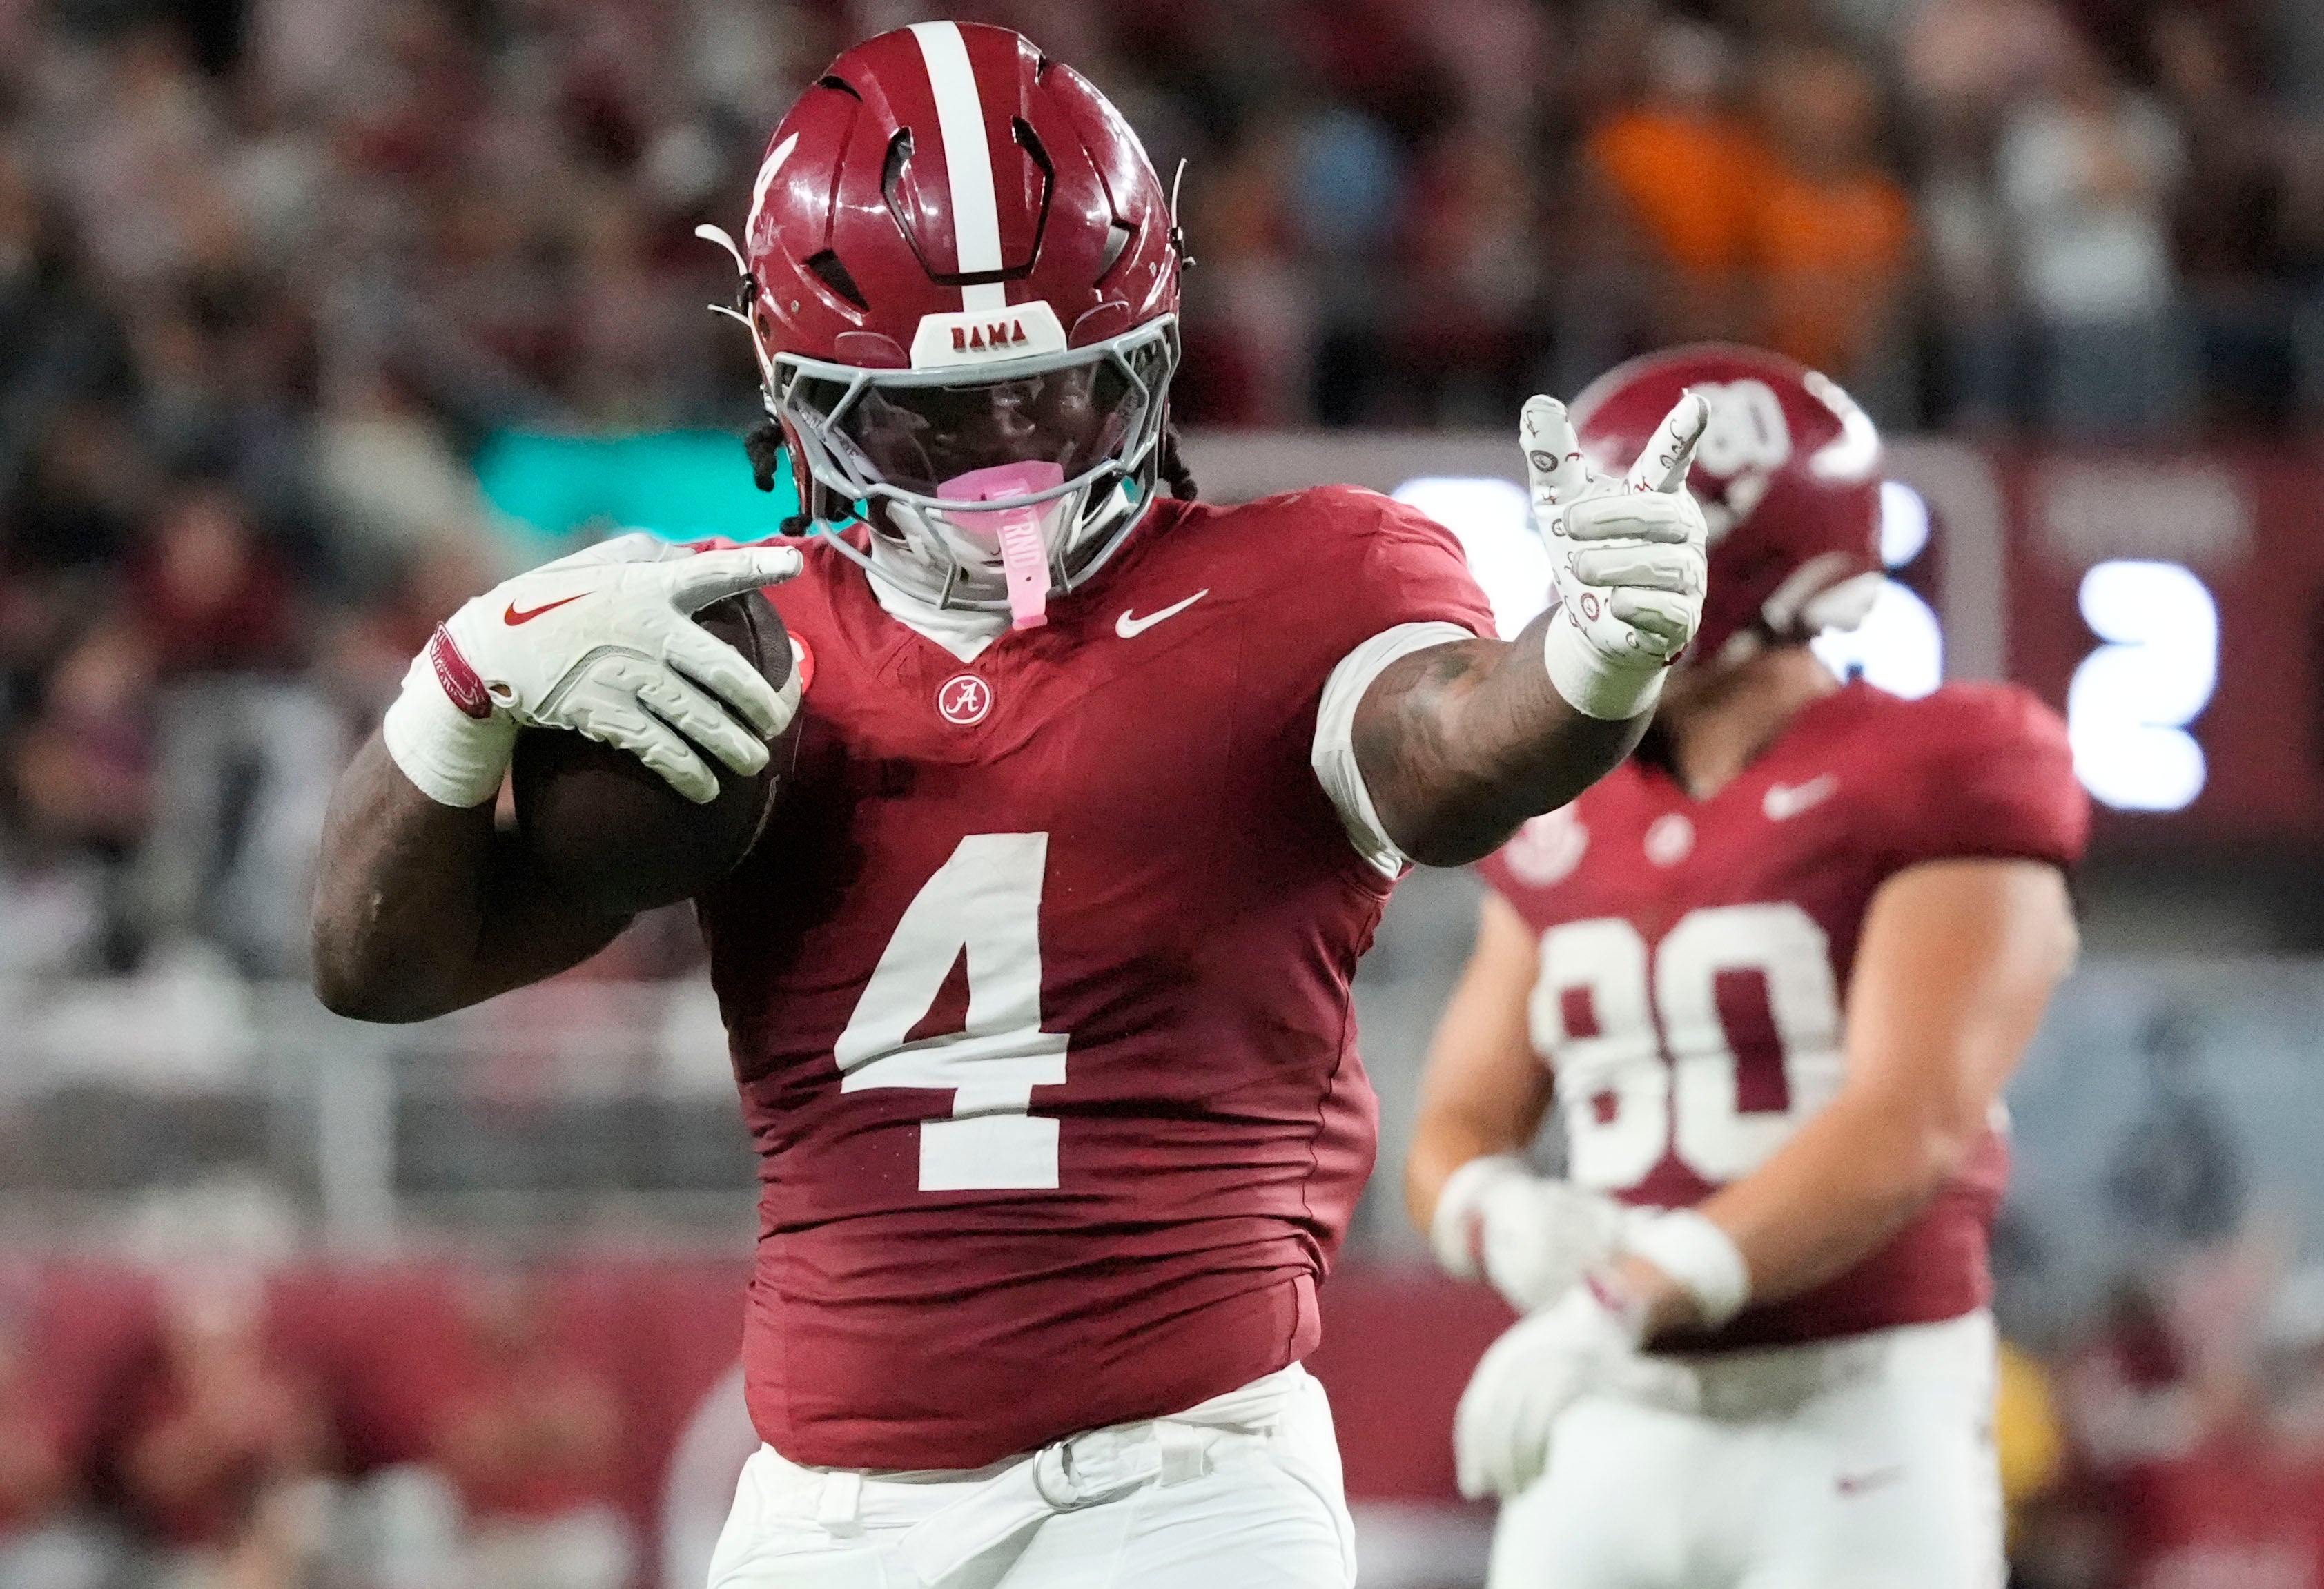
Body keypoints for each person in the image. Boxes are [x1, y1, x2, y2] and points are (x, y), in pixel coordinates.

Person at [309, 22, 1715, 1589]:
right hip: (827, 1507)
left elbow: (1451, 754)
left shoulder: (1308, 580)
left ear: (1153, 354)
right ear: (795, 391)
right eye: (941, 413)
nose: (1012, 454)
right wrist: (456, 688)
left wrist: (1589, 661)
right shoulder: (740, 639)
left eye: (1058, 394)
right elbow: (377, 964)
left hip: (1185, 1489)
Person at [1407, 344, 2089, 1587]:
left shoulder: (1938, 764)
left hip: (1853, 1410)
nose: (1581, 579)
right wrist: (1497, 1215)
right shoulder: (1570, 806)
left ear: (1738, 548)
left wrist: (1626, 1293)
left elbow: (1911, 1126)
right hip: (1611, 1408)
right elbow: (1455, 1123)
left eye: (1619, 536)